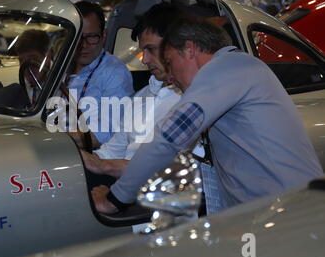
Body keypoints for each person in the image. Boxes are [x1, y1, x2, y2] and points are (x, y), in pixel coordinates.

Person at [92, 19, 323, 214]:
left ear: (190, 49)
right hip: (276, 210)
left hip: (289, 212)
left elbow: (169, 138)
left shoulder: (227, 70)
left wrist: (116, 199)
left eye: (171, 63)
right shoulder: (240, 69)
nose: (170, 76)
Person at [81, 3, 200, 179]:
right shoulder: (142, 96)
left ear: (178, 46)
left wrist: (103, 166)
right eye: (143, 50)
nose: (144, 60)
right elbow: (111, 151)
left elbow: (169, 170)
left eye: (151, 49)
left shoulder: (195, 100)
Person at [67, 1, 134, 146]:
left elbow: (103, 134)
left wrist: (58, 139)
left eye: (91, 37)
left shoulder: (115, 73)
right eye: (78, 37)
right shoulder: (61, 67)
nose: (83, 45)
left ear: (103, 36)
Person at [15, 29, 52, 105]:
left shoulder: (66, 82)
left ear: (48, 56)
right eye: (21, 61)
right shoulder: (16, 84)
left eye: (33, 61)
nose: (26, 69)